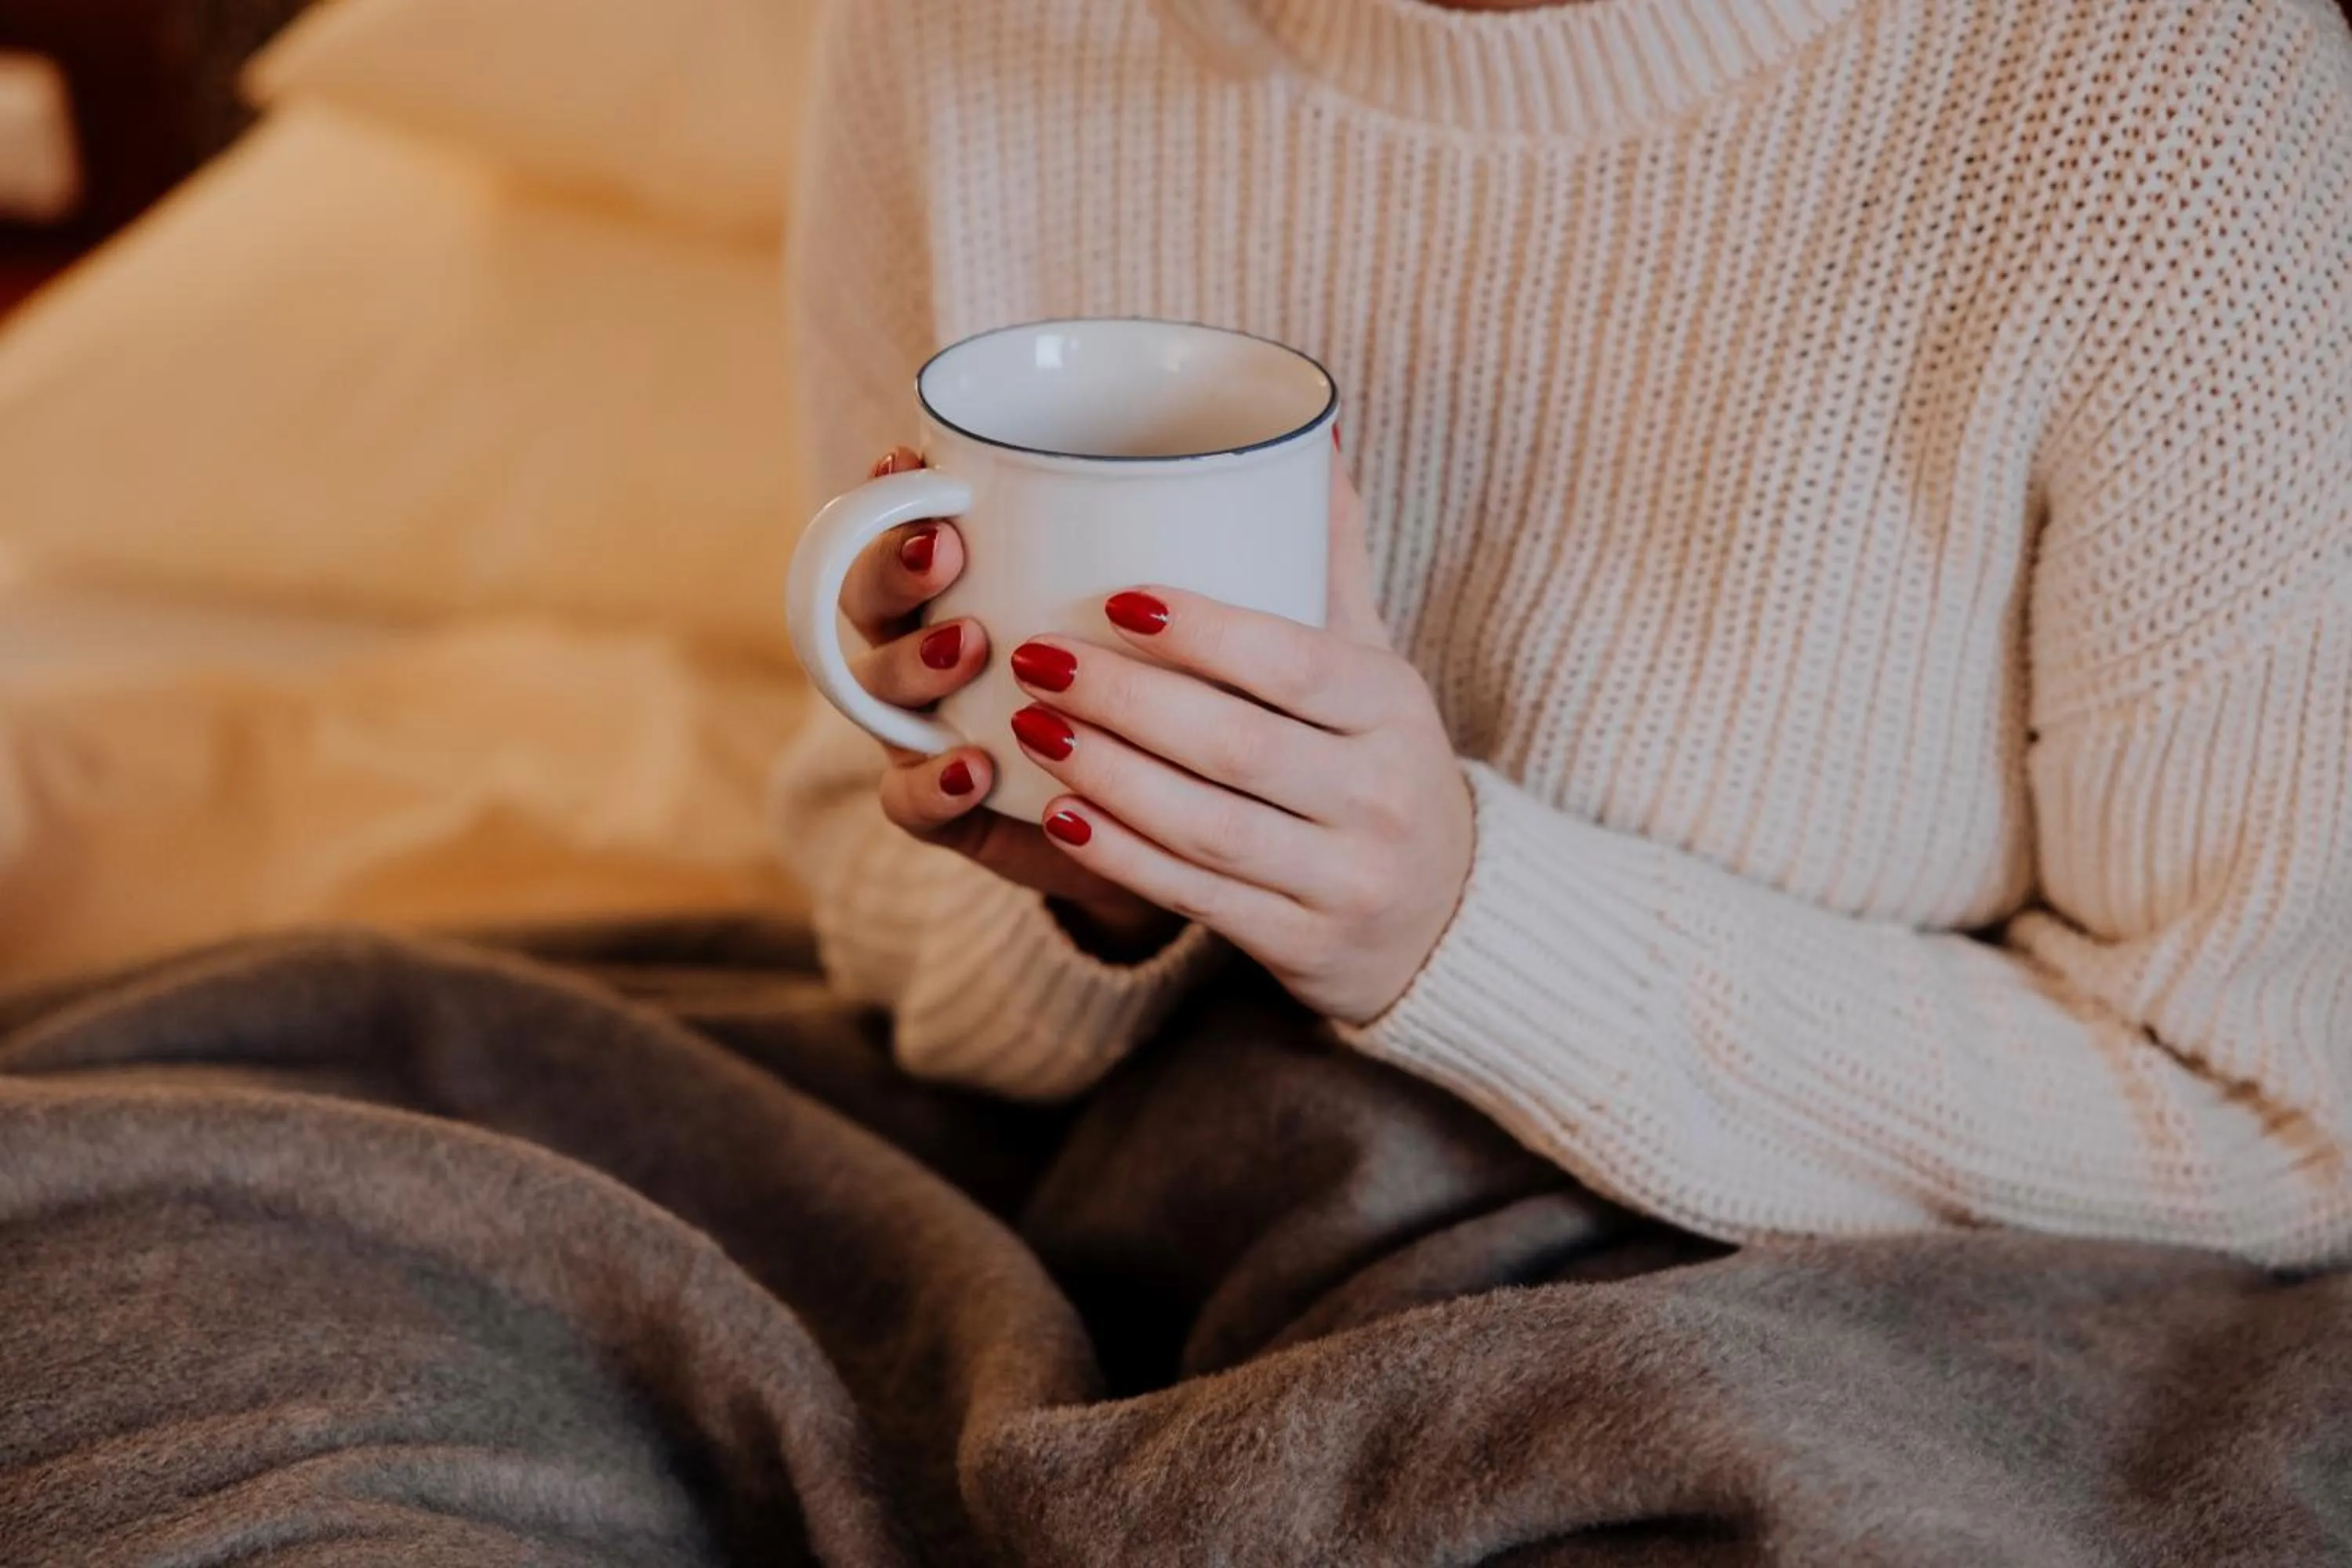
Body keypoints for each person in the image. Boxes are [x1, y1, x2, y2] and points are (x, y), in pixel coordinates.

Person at [774, 0, 2352, 1265]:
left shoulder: (2162, 90)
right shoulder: (951, 31)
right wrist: (1103, 899)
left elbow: (2277, 1120)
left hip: (1773, 1322)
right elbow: (850, 839)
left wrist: (1462, 922)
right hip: (1094, 1201)